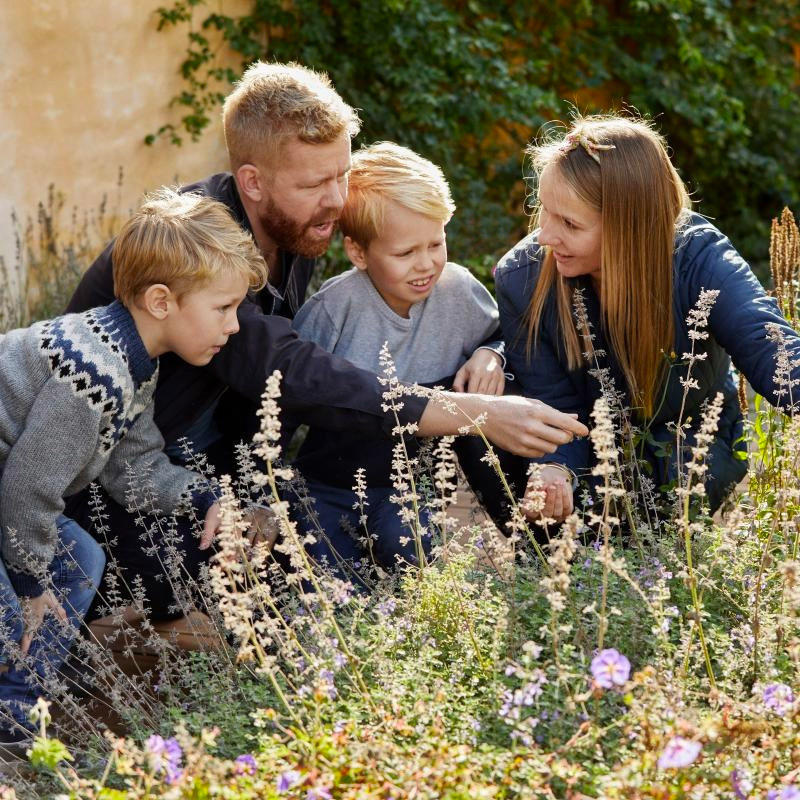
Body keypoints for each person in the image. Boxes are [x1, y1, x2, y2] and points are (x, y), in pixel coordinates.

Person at [65, 62, 587, 618]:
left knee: (310, 529)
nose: (337, 201)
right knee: (273, 554)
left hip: (197, 460)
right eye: (315, 184)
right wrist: (468, 409)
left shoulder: (291, 230)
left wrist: (489, 369)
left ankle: (555, 575)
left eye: (341, 175)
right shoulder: (198, 244)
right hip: (103, 480)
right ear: (253, 182)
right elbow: (289, 373)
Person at [0, 187, 267, 748]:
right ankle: (14, 695)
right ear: (162, 301)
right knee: (22, 596)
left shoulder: (133, 367)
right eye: (223, 308)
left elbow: (134, 466)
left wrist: (204, 498)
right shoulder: (92, 374)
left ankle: (23, 692)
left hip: (12, 490)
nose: (235, 326)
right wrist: (28, 583)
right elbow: (28, 487)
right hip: (10, 491)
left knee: (81, 560)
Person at [495, 113, 800, 524]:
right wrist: (555, 467)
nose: (545, 235)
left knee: (666, 499)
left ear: (629, 227)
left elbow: (773, 351)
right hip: (586, 447)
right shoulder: (522, 277)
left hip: (690, 445)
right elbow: (552, 400)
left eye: (569, 222)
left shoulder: (699, 259)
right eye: (544, 211)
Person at [291, 142, 506, 577]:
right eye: (405, 253)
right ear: (358, 252)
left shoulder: (459, 292)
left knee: (419, 567)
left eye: (436, 243)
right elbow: (287, 395)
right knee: (331, 587)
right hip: (327, 486)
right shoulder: (334, 310)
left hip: (412, 490)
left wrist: (490, 353)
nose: (426, 264)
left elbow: (505, 337)